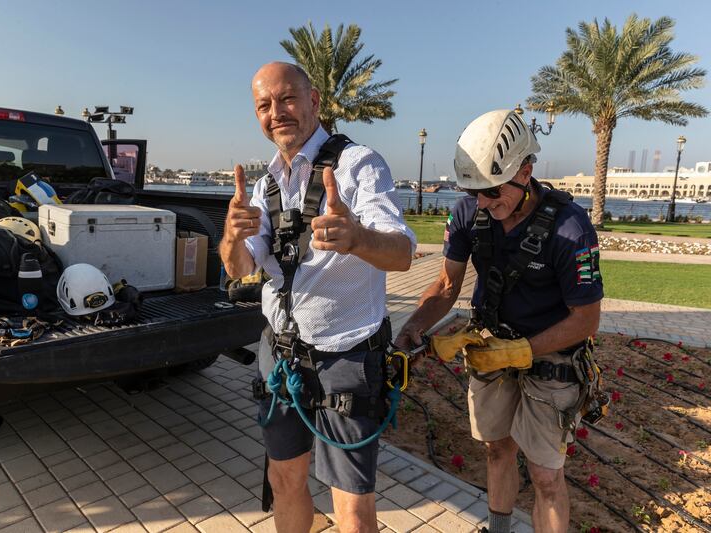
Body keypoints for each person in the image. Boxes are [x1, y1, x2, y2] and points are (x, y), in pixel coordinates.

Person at [220, 62, 415, 533]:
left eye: (286, 98)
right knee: (284, 477)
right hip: (282, 356)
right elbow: (241, 268)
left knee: (351, 505)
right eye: (264, 105)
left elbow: (403, 252)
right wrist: (230, 237)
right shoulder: (268, 183)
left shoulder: (358, 165)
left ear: (314, 101)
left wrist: (355, 237)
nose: (276, 112)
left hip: (345, 357)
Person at [395, 109, 603, 533]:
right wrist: (413, 329)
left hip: (553, 360)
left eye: (492, 191)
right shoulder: (469, 213)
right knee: (496, 450)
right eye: (474, 192)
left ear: (526, 170)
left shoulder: (570, 227)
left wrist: (522, 351)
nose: (483, 203)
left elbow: (586, 319)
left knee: (546, 475)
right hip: (490, 353)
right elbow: (446, 286)